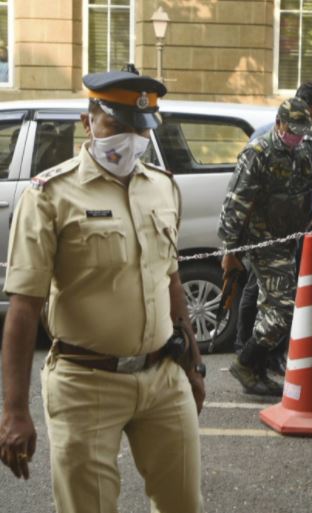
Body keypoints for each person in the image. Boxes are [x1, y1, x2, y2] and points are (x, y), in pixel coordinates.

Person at [0, 69, 205, 512]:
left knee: (184, 504)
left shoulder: (163, 187)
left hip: (163, 378)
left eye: (140, 128)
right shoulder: (49, 196)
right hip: (85, 382)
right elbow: (23, 306)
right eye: (117, 124)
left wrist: (192, 363)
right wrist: (14, 411)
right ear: (87, 122)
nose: (131, 138)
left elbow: (169, 277)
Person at [220, 97, 312, 396]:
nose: (296, 137)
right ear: (279, 123)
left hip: (290, 236)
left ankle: (256, 368)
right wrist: (230, 250)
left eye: (302, 131)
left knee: (271, 305)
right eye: (292, 130)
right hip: (263, 239)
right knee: (283, 308)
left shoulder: (306, 148)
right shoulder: (258, 153)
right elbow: (236, 202)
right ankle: (246, 363)